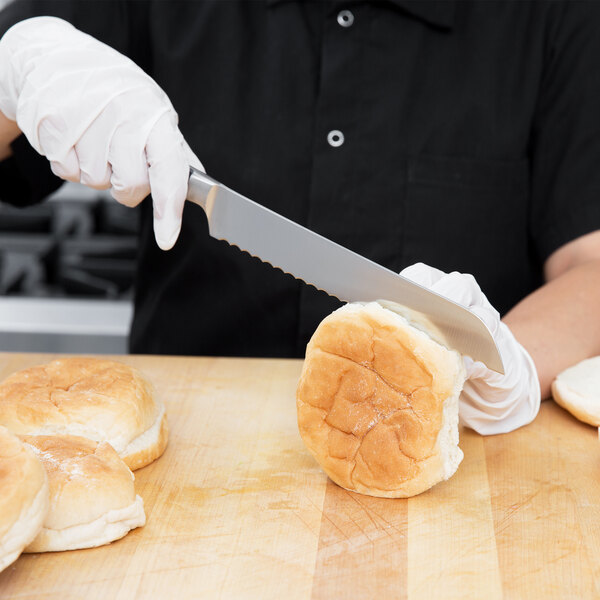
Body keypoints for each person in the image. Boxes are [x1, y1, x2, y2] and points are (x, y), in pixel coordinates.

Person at [1, 1, 599, 435]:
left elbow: (591, 265)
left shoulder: (556, 17)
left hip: (461, 449)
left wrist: (513, 365)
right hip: (190, 447)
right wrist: (17, 71)